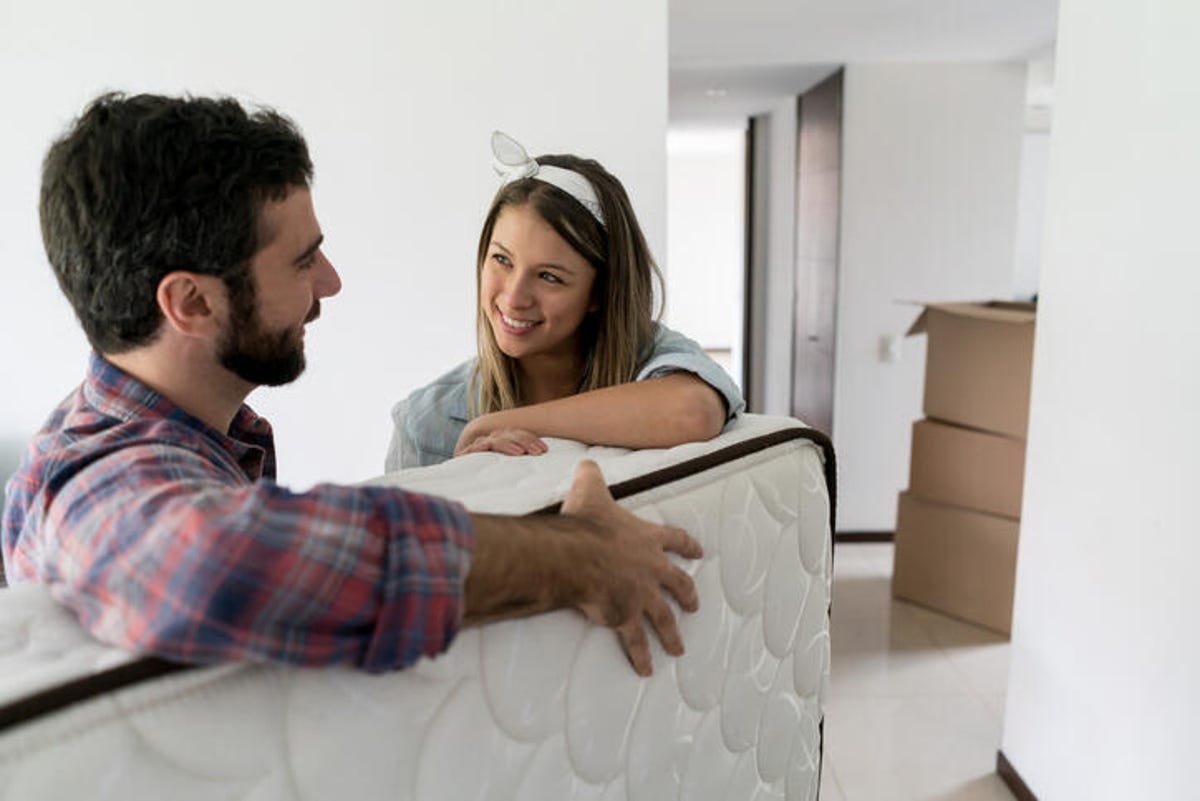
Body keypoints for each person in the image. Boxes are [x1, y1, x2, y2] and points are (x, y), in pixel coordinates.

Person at [0, 92, 702, 678]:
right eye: (304, 260)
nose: (331, 282)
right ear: (192, 303)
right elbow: (215, 564)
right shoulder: (91, 475)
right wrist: (577, 556)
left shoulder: (207, 439)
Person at [386, 132, 745, 470]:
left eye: (549, 277)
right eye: (501, 260)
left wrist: (495, 425)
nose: (513, 297)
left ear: (599, 294)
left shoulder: (654, 361)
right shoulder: (423, 424)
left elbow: (693, 413)